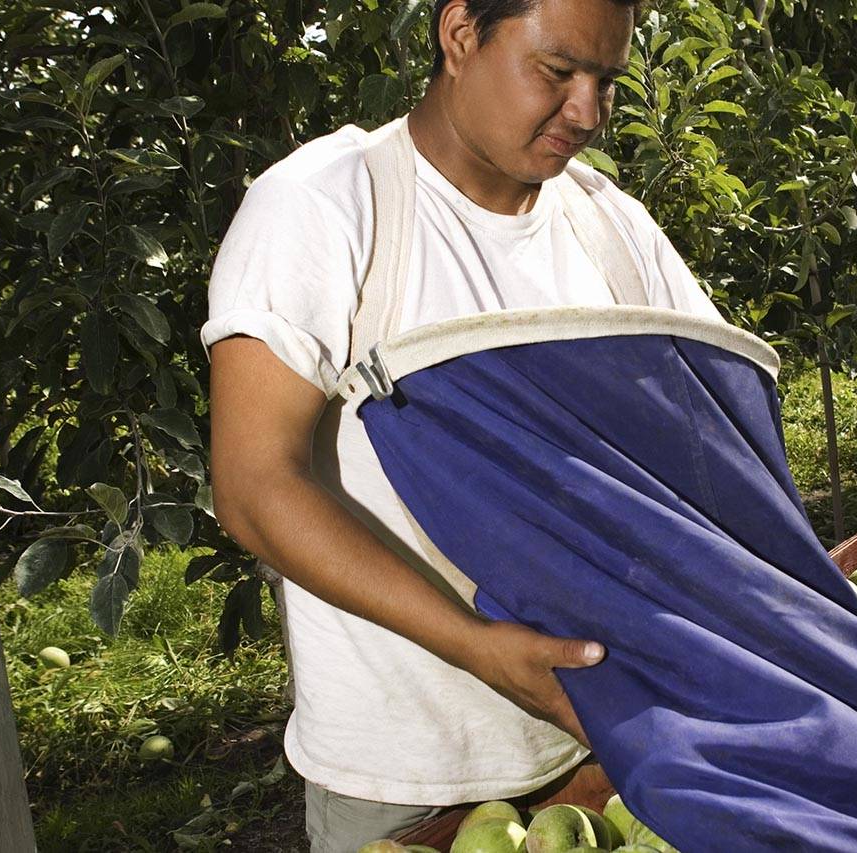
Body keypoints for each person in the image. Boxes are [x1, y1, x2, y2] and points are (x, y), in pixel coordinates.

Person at [203, 0, 723, 849]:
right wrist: (477, 646)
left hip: (608, 744)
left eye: (607, 82)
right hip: (410, 776)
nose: (587, 113)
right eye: (557, 72)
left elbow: (705, 451)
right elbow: (256, 484)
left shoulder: (612, 227)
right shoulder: (329, 209)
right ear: (459, 35)